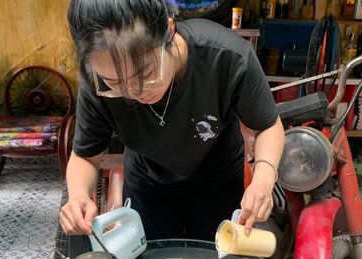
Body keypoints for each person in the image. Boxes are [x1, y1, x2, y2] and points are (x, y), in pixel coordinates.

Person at [60, 0, 285, 242]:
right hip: (147, 184)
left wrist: (263, 181)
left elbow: (268, 127)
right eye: (115, 83)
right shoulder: (97, 80)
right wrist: (78, 197)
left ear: (168, 30)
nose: (135, 92)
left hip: (218, 180)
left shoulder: (226, 57)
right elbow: (85, 155)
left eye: (145, 73)